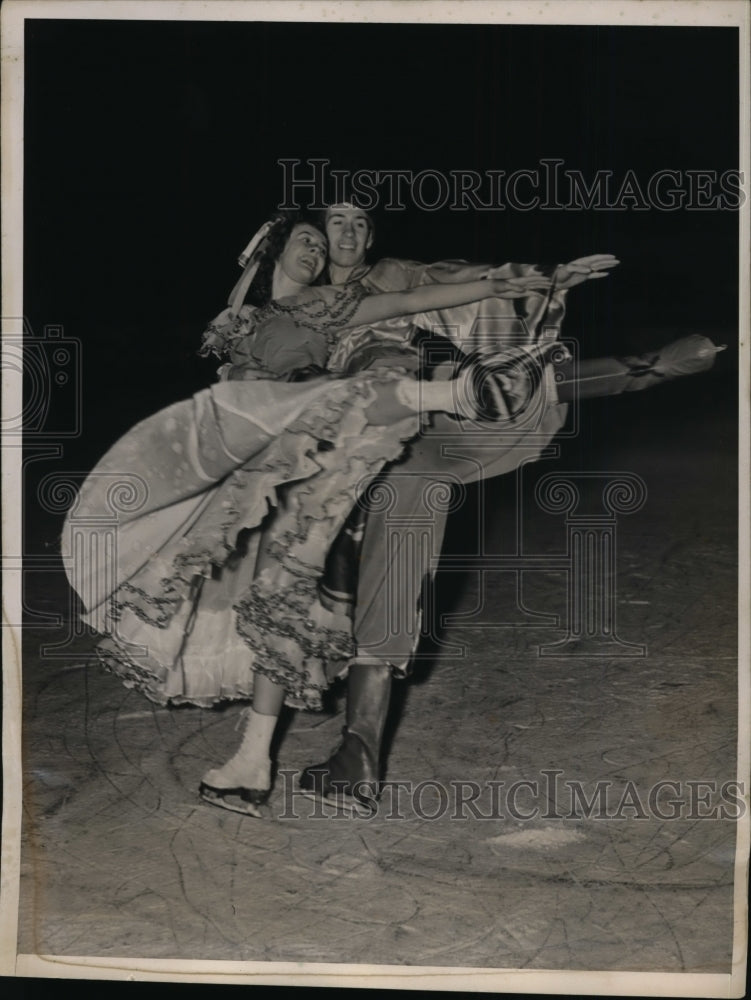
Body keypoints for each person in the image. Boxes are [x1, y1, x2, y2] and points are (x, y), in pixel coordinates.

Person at [62, 211, 561, 818]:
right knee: (260, 597)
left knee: (287, 581)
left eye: (322, 247)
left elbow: (416, 296)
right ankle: (252, 762)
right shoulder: (238, 319)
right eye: (308, 239)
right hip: (245, 460)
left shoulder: (329, 306)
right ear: (272, 249)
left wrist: (496, 284)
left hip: (301, 449)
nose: (317, 251)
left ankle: (449, 393)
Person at [298, 203, 723, 814]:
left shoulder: (390, 276)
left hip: (422, 417)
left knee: (509, 392)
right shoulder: (302, 307)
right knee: (389, 558)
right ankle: (356, 758)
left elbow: (468, 280)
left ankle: (649, 366)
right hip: (361, 454)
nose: (348, 233)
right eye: (335, 223)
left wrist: (545, 280)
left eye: (359, 223)